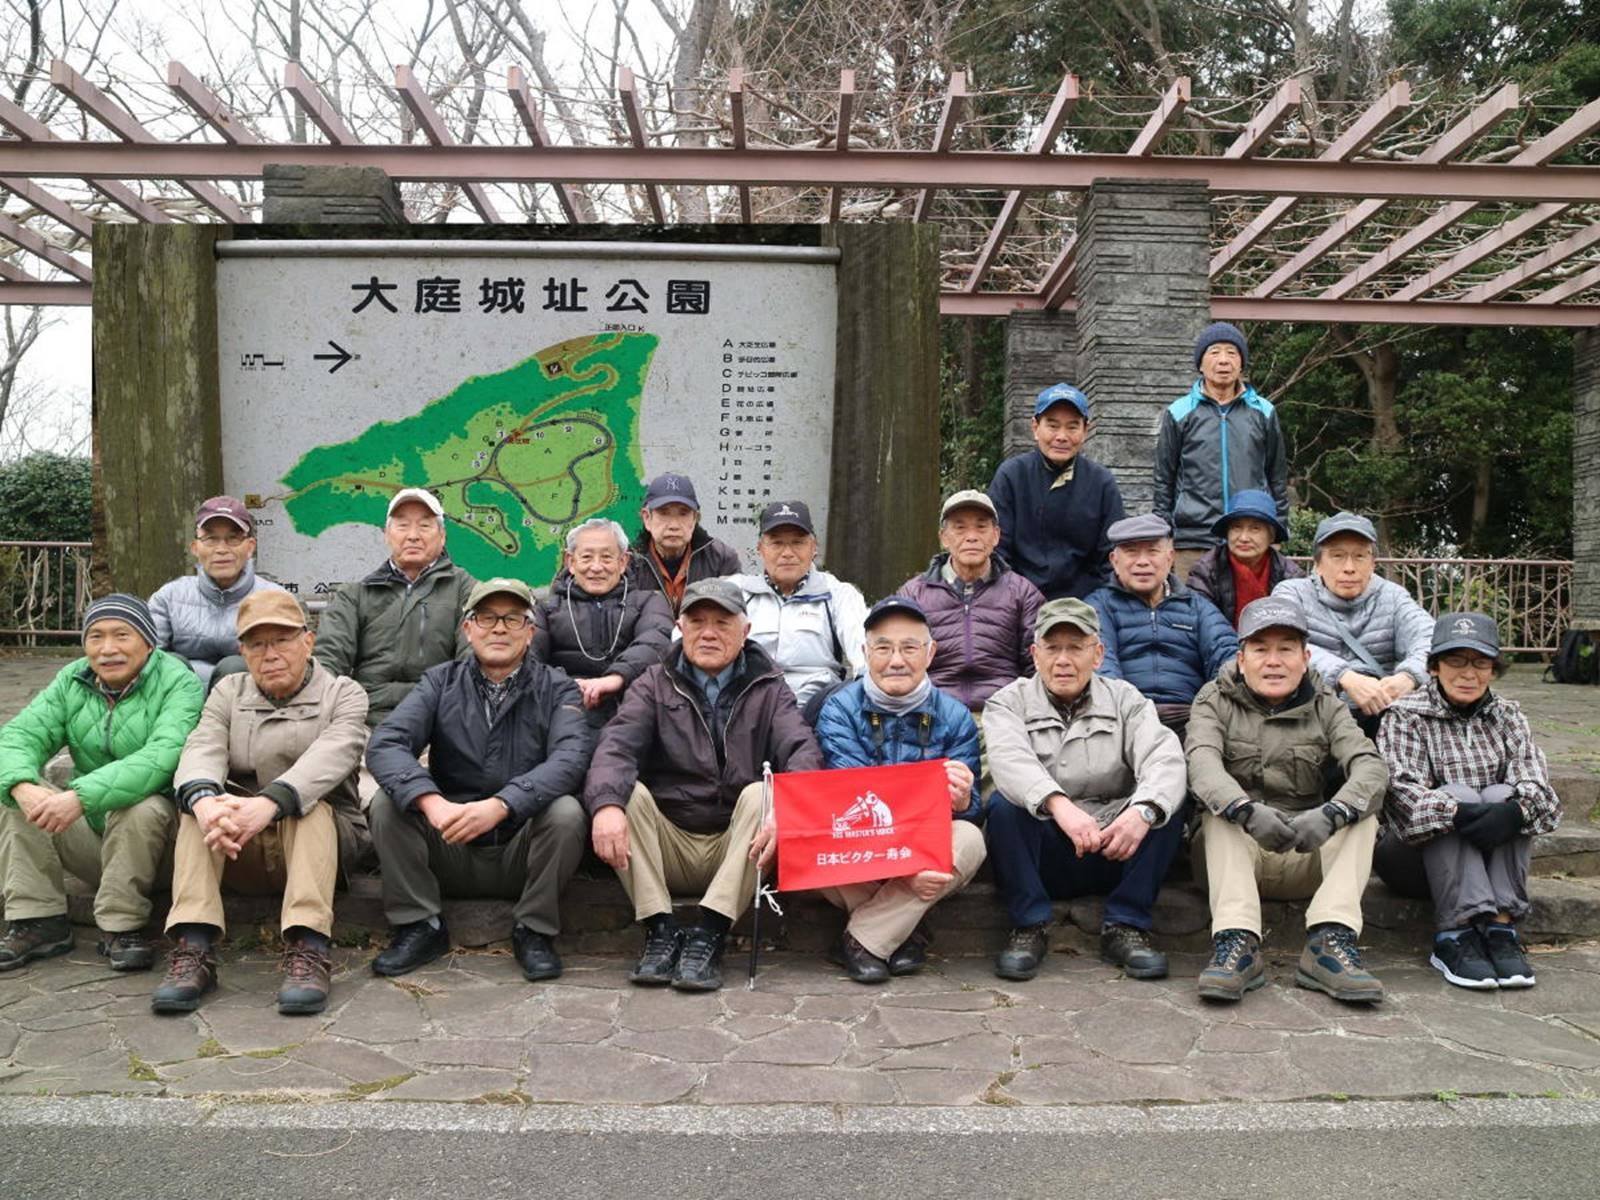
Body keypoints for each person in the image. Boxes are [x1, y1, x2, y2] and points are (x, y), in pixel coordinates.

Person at [585, 579, 823, 992]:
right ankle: (659, 929)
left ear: (745, 631)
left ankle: (711, 932)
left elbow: (802, 748)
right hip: (668, 847)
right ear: (680, 627)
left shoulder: (769, 687)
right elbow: (616, 746)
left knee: (764, 793)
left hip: (739, 850)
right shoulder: (653, 682)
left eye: (722, 623)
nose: (708, 633)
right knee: (625, 794)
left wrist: (788, 811)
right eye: (697, 622)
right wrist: (606, 806)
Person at [152, 591, 370, 1016]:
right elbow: (203, 745)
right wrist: (204, 800)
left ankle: (309, 947)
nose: (270, 655)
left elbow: (335, 753)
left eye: (282, 641)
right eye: (256, 644)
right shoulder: (228, 691)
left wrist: (271, 802)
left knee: (311, 809)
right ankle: (194, 947)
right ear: (242, 652)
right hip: (240, 843)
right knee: (200, 811)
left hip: (323, 845)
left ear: (308, 641)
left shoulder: (343, 693)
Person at [365, 578, 594, 981]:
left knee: (566, 812)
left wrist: (504, 804)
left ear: (530, 632)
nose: (499, 628)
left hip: (521, 850)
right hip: (450, 844)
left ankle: (534, 930)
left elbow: (571, 758)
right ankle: (419, 925)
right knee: (388, 802)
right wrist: (431, 802)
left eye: (512, 618)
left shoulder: (558, 688)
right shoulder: (440, 681)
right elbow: (386, 744)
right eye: (486, 617)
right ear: (468, 629)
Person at [1186, 597, 1389, 1004]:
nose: (1273, 661)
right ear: (1241, 659)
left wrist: (1333, 813)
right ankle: (1236, 944)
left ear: (1305, 657)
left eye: (1286, 649)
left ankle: (1330, 943)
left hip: (1304, 851)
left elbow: (1370, 766)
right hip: (1234, 855)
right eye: (1261, 649)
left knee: (1363, 813)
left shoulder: (1326, 703)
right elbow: (1201, 763)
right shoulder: (1213, 699)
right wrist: (1244, 810)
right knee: (1217, 812)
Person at [983, 598, 1187, 983]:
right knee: (1004, 806)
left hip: (1115, 845)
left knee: (1167, 802)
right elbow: (1010, 761)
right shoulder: (1007, 702)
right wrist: (1058, 805)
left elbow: (1164, 758)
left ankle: (1126, 924)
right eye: (1052, 648)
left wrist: (1142, 811)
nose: (1063, 660)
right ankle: (1029, 924)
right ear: (1035, 655)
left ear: (1098, 654)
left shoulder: (1127, 699)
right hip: (1047, 849)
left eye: (1075, 648)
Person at [0, 595, 202, 972]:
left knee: (142, 807)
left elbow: (161, 757)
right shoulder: (73, 680)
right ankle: (38, 920)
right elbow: (17, 737)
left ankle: (122, 926)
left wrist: (80, 796)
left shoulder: (179, 684)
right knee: (15, 793)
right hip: (92, 839)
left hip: (160, 850)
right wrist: (22, 786)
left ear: (148, 641)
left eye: (122, 635)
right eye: (96, 637)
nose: (108, 648)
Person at [1375, 613, 1561, 990]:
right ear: (1434, 667)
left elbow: (1541, 793)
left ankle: (1500, 929)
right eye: (1455, 661)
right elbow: (1401, 796)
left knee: (1506, 796)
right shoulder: (1404, 715)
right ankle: (1455, 934)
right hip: (1412, 859)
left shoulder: (1508, 715)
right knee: (1456, 794)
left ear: (1493, 669)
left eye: (1480, 663)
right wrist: (1457, 812)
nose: (1468, 674)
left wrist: (1513, 812)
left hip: (1487, 858)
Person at [808, 596, 986, 983]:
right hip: (864, 844)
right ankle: (904, 933)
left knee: (970, 839)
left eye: (909, 647)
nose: (896, 660)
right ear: (864, 653)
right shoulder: (839, 709)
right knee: (819, 838)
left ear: (931, 652)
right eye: (883, 648)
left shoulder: (955, 715)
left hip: (921, 843)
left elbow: (971, 812)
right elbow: (853, 798)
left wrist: (962, 800)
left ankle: (862, 940)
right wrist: (909, 872)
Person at [315, 487, 478, 728]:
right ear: (387, 535)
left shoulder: (467, 590)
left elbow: (471, 662)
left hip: (438, 717)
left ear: (442, 536)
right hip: (363, 717)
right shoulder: (355, 595)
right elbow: (328, 658)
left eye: (424, 526)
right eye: (402, 526)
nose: (413, 536)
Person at [1272, 512, 1433, 738]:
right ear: (1317, 564)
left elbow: (1431, 638)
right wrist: (1344, 676)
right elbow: (1281, 641)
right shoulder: (1292, 592)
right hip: (1311, 712)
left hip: (1380, 713)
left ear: (1373, 564)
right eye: (1337, 556)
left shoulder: (1394, 596)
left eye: (1359, 556)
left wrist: (1409, 676)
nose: (1349, 567)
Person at [1154, 322, 1289, 579]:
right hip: (1193, 538)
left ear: (1241, 363)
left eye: (1232, 353)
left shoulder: (1264, 411)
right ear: (1201, 364)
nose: (1224, 360)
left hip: (1251, 535)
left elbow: (1277, 476)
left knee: (1255, 605)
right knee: (1193, 603)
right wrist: (1164, 534)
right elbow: (1164, 479)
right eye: (1215, 352)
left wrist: (1278, 531)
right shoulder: (1179, 412)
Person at [1086, 513, 1238, 736]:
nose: (1142, 561)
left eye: (1152, 551)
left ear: (1170, 558)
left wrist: (1210, 706)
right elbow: (1102, 665)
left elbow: (1227, 654)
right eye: (1131, 552)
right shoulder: (1098, 606)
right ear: (1114, 561)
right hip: (1123, 718)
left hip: (1191, 717)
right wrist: (1129, 710)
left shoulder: (1196, 606)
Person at [897, 489, 1043, 714]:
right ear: (944, 538)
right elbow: (899, 662)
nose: (971, 537)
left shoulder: (1022, 592)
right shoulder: (914, 594)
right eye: (960, 528)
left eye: (981, 527)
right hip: (933, 711)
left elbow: (1038, 664)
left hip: (1004, 712)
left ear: (996, 536)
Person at [727, 500, 867, 716]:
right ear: (760, 549)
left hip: (816, 708)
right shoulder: (737, 591)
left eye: (798, 543)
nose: (787, 553)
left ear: (813, 547)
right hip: (748, 706)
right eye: (777, 543)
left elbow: (865, 652)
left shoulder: (838, 594)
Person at [990, 383, 1125, 601]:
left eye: (1072, 427)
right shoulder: (1012, 476)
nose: (1062, 436)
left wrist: (1093, 606)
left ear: (1085, 430)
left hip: (1085, 604)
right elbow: (997, 551)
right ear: (1035, 427)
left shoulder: (1101, 482)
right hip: (1019, 600)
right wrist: (1018, 600)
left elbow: (1111, 558)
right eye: (1052, 426)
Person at [533, 518, 673, 726]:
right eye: (587, 557)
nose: (596, 567)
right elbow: (528, 656)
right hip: (561, 706)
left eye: (606, 557)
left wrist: (616, 678)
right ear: (570, 562)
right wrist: (566, 685)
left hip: (632, 708)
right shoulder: (545, 607)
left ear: (623, 562)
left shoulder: (649, 601)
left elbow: (657, 640)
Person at [148, 495, 286, 689]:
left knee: (235, 667)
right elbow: (144, 660)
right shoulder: (169, 597)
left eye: (233, 539)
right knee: (169, 663)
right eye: (211, 539)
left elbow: (288, 663)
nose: (221, 549)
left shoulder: (275, 599)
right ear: (195, 548)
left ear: (250, 547)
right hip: (178, 702)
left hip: (249, 701)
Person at [1185, 488, 1303, 629]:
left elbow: (1296, 626)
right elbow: (1200, 622)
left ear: (1271, 536)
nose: (1244, 538)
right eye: (1236, 528)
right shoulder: (1206, 571)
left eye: (1255, 529)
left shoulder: (1290, 575)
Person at [626, 472, 741, 612]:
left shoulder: (721, 559)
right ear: (647, 518)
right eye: (664, 513)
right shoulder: (627, 563)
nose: (674, 525)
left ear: (695, 519)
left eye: (683, 513)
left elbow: (734, 614)